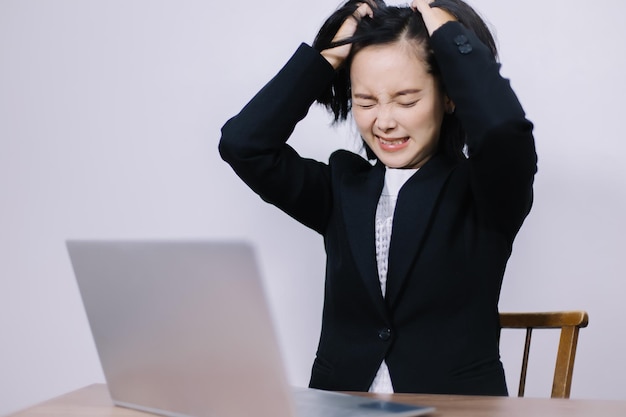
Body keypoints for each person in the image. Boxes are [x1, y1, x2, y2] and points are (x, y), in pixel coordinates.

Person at [219, 0, 537, 396]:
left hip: (454, 409)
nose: (383, 121)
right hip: (343, 405)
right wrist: (330, 54)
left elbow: (505, 131)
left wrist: (449, 34)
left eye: (406, 101)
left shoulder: (486, 192)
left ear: (450, 97)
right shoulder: (341, 188)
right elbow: (243, 144)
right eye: (365, 102)